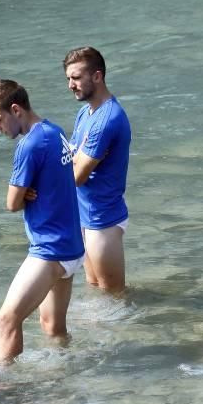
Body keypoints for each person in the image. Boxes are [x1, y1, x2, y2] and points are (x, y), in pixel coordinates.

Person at [0, 79, 85, 363]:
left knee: (7, 319)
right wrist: (29, 191)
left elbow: (11, 204)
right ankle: (67, 375)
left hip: (49, 249)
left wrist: (23, 194)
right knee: (53, 328)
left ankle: (7, 388)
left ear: (16, 110)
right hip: (72, 247)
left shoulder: (29, 145)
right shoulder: (55, 131)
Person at [63, 46, 132, 294]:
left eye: (77, 77)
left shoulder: (106, 120)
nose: (71, 84)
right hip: (85, 216)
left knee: (113, 297)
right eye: (68, 79)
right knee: (95, 290)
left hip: (103, 221)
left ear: (97, 76)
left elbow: (77, 176)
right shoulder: (85, 113)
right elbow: (71, 159)